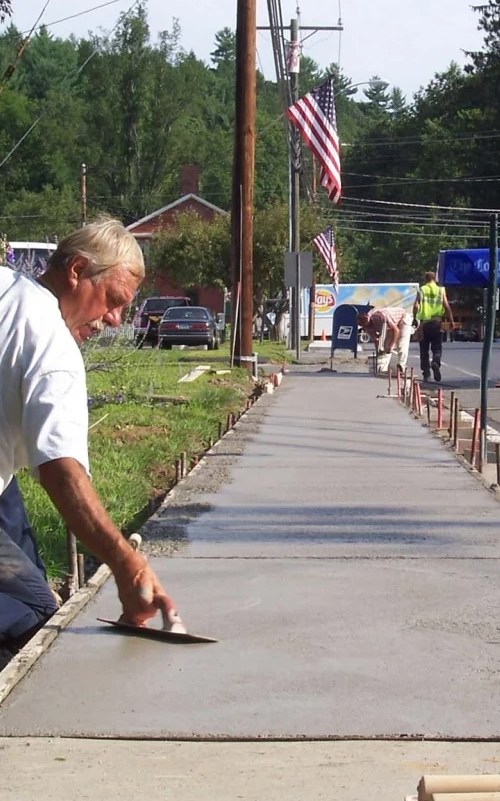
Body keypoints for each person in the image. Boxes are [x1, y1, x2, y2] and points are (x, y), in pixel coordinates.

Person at [0, 219, 184, 667]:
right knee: (29, 623)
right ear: (77, 270)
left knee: (33, 588)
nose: (115, 320)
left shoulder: (7, 285)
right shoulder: (52, 346)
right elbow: (61, 472)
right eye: (114, 301)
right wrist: (128, 564)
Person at [412, 271, 454, 383]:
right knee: (437, 347)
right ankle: (436, 361)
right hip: (437, 323)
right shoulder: (441, 290)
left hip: (424, 324)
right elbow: (446, 305)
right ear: (435, 279)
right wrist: (451, 320)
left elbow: (416, 305)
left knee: (424, 350)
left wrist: (414, 318)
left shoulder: (422, 289)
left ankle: (426, 374)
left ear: (425, 279)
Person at [357, 306, 413, 374]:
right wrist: (379, 352)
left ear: (367, 319)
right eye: (362, 325)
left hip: (403, 317)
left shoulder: (381, 317)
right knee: (385, 346)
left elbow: (396, 331)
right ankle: (382, 368)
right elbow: (376, 340)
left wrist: (391, 346)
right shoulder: (366, 325)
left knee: (401, 344)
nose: (365, 327)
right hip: (390, 323)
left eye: (364, 324)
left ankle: (401, 366)